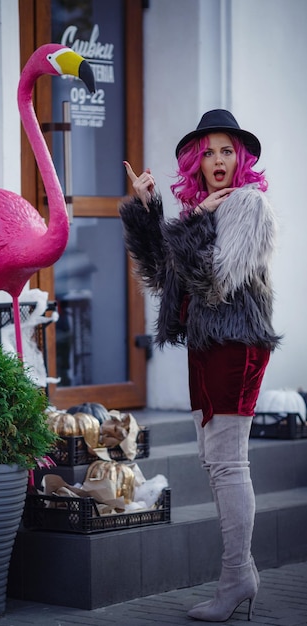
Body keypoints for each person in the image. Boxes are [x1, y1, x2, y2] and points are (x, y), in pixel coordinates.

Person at [119, 109, 281, 623]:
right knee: (214, 462)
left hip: (236, 344)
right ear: (197, 159)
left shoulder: (249, 206)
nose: (217, 160)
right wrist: (150, 212)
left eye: (226, 150)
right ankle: (240, 575)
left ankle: (235, 579)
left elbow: (215, 280)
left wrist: (192, 222)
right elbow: (166, 279)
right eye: (208, 151)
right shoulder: (203, 207)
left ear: (241, 158)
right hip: (206, 345)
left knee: (229, 463)